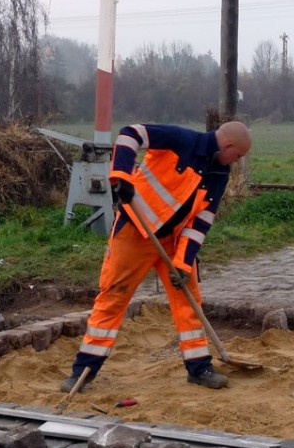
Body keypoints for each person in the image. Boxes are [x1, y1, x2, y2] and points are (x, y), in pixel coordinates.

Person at [61, 120, 253, 393]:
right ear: (229, 145)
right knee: (113, 297)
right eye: (239, 155)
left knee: (188, 300)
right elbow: (131, 134)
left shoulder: (219, 173)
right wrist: (122, 177)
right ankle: (83, 371)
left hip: (173, 242)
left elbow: (201, 221)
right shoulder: (181, 139)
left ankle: (199, 368)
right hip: (134, 231)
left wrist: (184, 262)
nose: (238, 161)